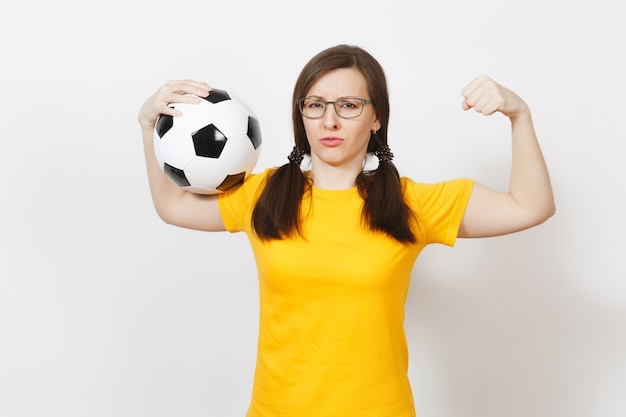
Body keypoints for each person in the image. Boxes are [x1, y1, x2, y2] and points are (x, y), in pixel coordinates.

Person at [137, 44, 555, 417]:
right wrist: (147, 125)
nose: (330, 121)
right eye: (315, 105)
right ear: (301, 115)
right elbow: (173, 206)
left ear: (376, 118)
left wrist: (519, 116)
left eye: (349, 105)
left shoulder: (411, 204)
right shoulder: (264, 195)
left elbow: (530, 205)